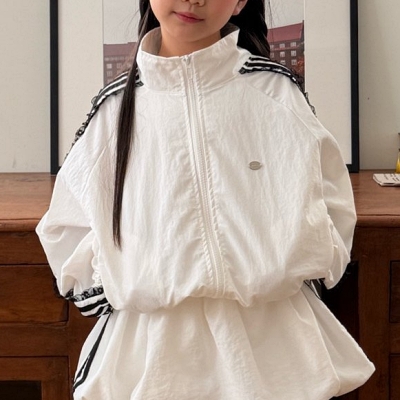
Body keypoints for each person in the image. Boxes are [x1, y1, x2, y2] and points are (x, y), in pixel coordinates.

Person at [36, 0, 375, 398]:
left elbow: (330, 194)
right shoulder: (114, 108)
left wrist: (301, 266)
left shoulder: (275, 90)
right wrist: (116, 281)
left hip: (275, 346)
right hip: (151, 353)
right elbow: (67, 223)